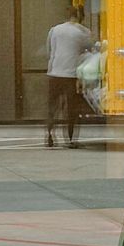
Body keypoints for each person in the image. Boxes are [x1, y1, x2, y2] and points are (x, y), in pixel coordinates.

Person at [44, 8, 94, 148]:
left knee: (52, 108)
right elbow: (90, 49)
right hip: (71, 76)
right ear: (79, 16)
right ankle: (70, 139)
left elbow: (50, 51)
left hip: (54, 73)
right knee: (71, 110)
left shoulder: (54, 30)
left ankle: (49, 136)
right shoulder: (83, 32)